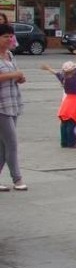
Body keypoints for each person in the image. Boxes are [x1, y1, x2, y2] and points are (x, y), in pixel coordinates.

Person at [0, 23, 26, 191]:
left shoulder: (9, 54)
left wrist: (19, 78)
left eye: (11, 36)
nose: (9, 39)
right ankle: (17, 179)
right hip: (1, 105)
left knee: (3, 146)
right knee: (11, 143)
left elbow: (16, 75)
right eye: (5, 36)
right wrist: (13, 75)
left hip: (12, 102)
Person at [41, 52, 76, 148]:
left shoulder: (63, 78)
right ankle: (71, 143)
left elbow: (55, 73)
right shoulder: (74, 78)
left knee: (64, 123)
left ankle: (63, 142)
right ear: (73, 70)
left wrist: (48, 68)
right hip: (74, 102)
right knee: (71, 124)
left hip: (66, 102)